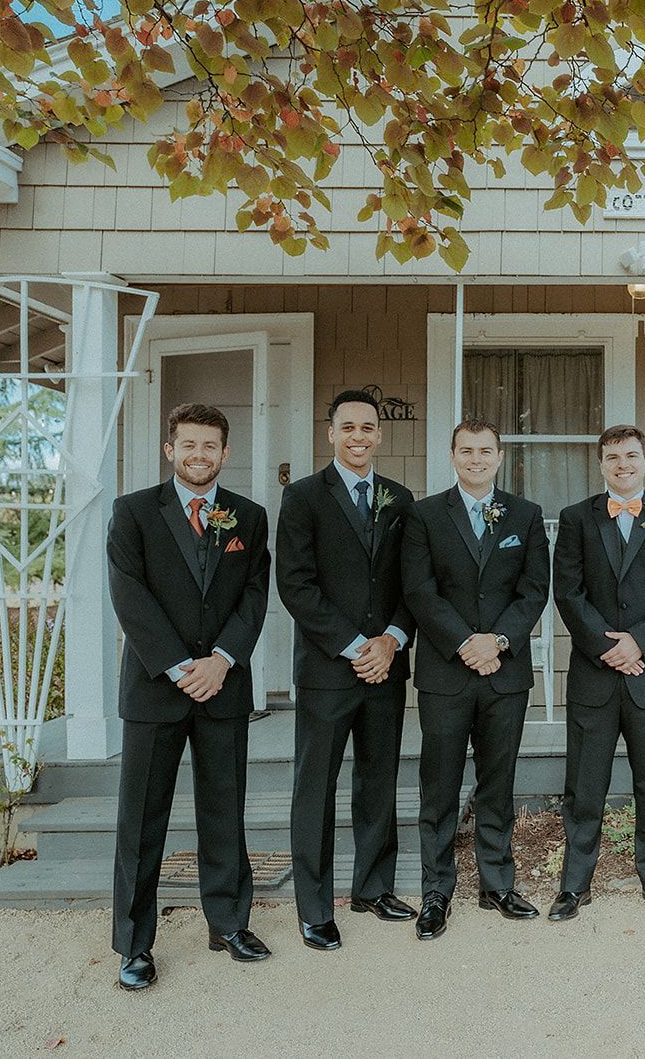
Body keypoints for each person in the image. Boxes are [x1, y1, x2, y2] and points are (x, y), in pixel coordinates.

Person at [106, 402, 272, 991]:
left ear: (226, 453)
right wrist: (182, 667)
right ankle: (134, 943)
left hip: (223, 688)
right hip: (156, 689)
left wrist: (221, 660)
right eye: (189, 445)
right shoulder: (133, 513)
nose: (199, 455)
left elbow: (254, 597)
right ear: (169, 449)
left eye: (211, 446)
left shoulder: (248, 518)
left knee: (224, 812)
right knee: (142, 820)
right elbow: (130, 596)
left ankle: (228, 923)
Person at [277, 388, 416, 951]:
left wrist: (391, 640)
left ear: (380, 436)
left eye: (368, 428)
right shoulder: (304, 497)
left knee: (378, 780)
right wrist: (357, 644)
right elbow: (296, 584)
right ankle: (314, 905)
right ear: (330, 434)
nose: (359, 437)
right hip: (329, 668)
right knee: (317, 786)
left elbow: (415, 582)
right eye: (348, 428)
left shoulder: (400, 499)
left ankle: (373, 885)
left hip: (386, 666)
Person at [401, 419, 550, 939]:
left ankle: (497, 884)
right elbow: (419, 591)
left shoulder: (525, 515)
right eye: (466, 450)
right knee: (438, 787)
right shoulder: (423, 516)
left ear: (500, 456)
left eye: (485, 451)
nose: (477, 459)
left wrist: (498, 642)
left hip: (504, 674)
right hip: (446, 672)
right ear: (453, 455)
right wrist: (466, 642)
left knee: (497, 782)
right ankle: (436, 891)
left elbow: (533, 590)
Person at [548, 425, 645, 920]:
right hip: (595, 674)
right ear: (601, 464)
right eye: (613, 457)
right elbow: (568, 593)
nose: (623, 464)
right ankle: (575, 884)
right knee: (585, 784)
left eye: (631, 456)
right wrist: (609, 648)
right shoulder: (576, 519)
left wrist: (641, 643)